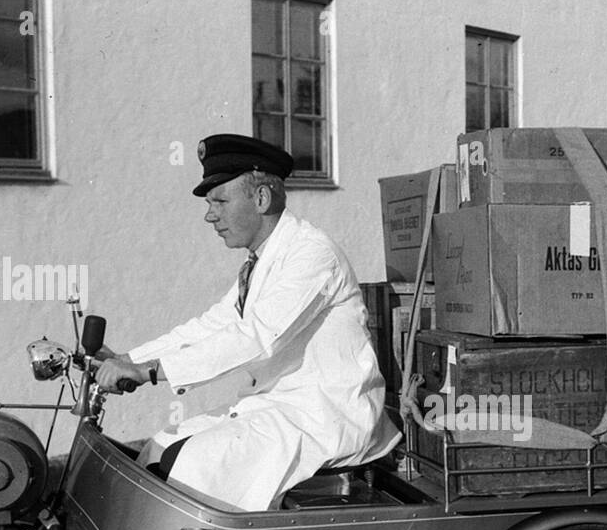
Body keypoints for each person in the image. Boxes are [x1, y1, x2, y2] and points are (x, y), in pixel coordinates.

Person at [95, 133, 400, 510]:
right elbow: (211, 325)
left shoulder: (312, 254)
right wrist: (128, 357)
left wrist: (149, 371)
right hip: (280, 408)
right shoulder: (260, 262)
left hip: (325, 415)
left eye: (220, 201)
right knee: (159, 447)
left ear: (261, 198)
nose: (210, 215)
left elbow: (255, 337)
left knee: (192, 465)